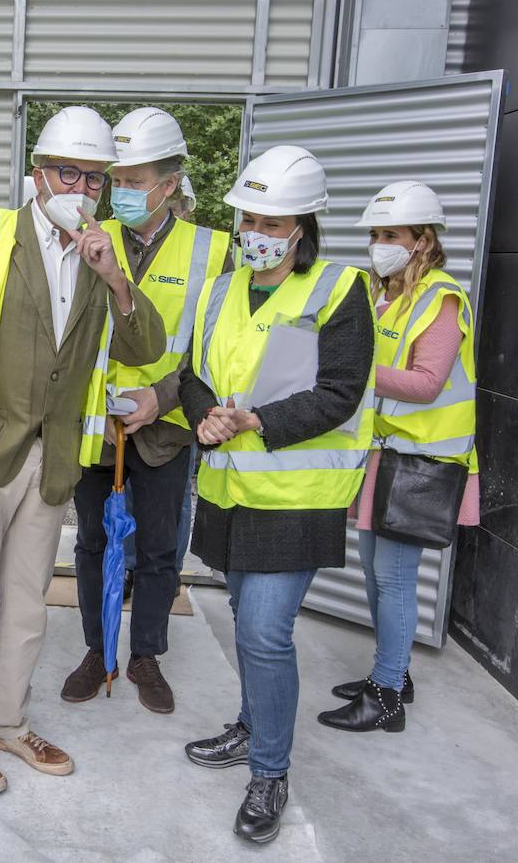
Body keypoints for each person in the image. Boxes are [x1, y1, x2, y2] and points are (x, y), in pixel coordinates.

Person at [0, 106, 165, 795]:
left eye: (94, 177)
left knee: (25, 605)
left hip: (52, 462)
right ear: (38, 173)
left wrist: (114, 276)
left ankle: (7, 725)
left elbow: (146, 348)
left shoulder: (108, 248)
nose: (80, 186)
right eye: (67, 172)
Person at [177, 145, 374, 844]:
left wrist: (258, 419)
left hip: (297, 496)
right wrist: (204, 414)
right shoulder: (220, 289)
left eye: (271, 218)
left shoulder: (339, 289)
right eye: (248, 216)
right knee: (243, 617)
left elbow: (341, 392)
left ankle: (269, 772)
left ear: (303, 226)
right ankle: (252, 724)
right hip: (231, 489)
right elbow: (191, 372)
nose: (254, 230)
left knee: (264, 632)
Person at [62, 108, 229, 714]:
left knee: (159, 548)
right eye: (118, 180)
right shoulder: (89, 235)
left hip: (167, 428)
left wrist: (164, 397)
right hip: (97, 425)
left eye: (137, 181)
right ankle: (96, 647)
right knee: (93, 543)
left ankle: (145, 655)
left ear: (170, 183)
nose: (123, 192)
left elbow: (218, 347)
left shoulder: (214, 251)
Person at [318, 181, 480, 732]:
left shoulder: (442, 297)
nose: (379, 243)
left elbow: (427, 383)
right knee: (373, 572)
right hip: (381, 456)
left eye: (391, 234)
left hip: (421, 463)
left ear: (422, 240)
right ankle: (395, 670)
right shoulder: (382, 293)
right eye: (374, 234)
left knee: (393, 578)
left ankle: (386, 696)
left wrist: (345, 368)